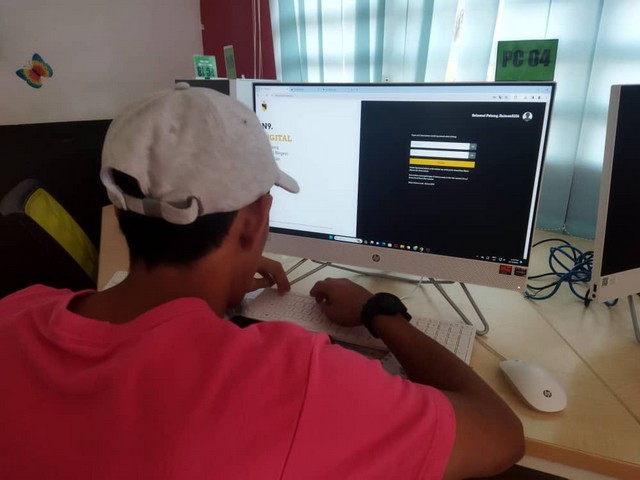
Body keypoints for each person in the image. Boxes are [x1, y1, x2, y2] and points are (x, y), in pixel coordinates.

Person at [0, 83, 523, 479]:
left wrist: (220, 292)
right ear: (255, 222)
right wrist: (378, 312)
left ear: (121, 210)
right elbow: (501, 435)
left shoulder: (14, 313)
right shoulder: (292, 382)